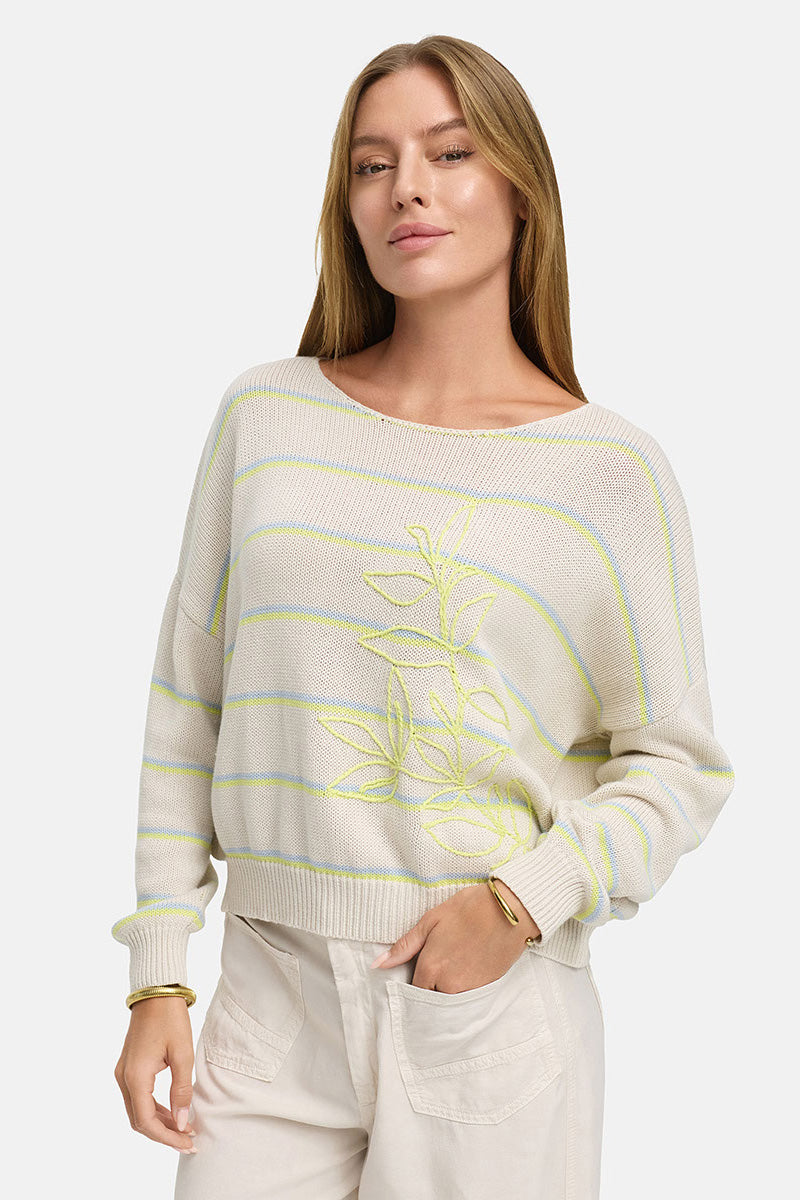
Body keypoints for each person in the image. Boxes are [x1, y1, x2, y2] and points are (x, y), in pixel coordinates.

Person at [112, 34, 735, 1200]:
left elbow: (678, 767)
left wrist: (517, 905)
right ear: (346, 205)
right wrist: (158, 969)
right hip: (267, 1005)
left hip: (485, 1009)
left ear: (521, 189)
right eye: (371, 163)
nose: (405, 188)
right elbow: (186, 703)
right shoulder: (265, 418)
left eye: (449, 153)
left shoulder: (605, 473)